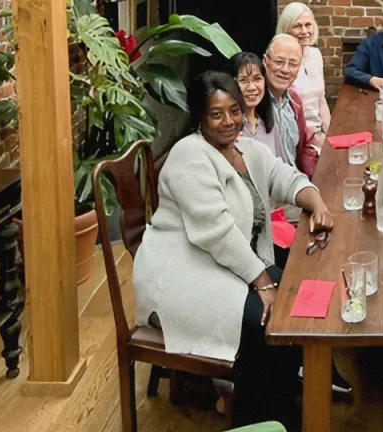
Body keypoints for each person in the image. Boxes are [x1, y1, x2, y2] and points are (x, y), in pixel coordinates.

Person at [132, 71, 334, 429]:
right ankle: (258, 419)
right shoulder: (189, 156)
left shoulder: (245, 149)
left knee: (294, 303)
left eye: (235, 110)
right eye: (216, 113)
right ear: (199, 117)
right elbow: (217, 233)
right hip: (182, 276)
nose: (229, 121)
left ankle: (280, 413)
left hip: (223, 266)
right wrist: (264, 283)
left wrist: (316, 202)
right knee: (269, 321)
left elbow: (284, 177)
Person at [263, 34, 320, 178]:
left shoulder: (294, 101)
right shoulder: (253, 103)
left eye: (293, 64)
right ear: (265, 61)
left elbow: (304, 146)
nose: (285, 70)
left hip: (295, 183)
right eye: (279, 61)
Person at [277, 2, 331, 141]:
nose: (304, 31)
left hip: (318, 134)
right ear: (286, 29)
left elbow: (321, 100)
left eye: (308, 25)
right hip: (295, 137)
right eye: (297, 26)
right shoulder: (281, 63)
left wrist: (330, 134)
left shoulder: (315, 55)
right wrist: (313, 139)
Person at [229, 52, 284, 158]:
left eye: (257, 79)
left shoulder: (270, 124)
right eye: (243, 80)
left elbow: (282, 166)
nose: (252, 87)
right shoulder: (228, 127)